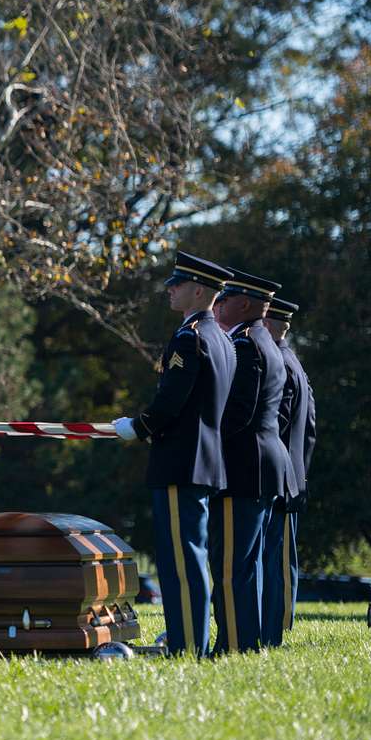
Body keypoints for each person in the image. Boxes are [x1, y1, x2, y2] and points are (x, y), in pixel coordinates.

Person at [112, 253, 236, 657]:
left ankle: (187, 647)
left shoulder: (191, 337)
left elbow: (171, 402)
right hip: (203, 461)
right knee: (192, 558)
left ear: (198, 290)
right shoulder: (221, 338)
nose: (169, 289)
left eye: (177, 285)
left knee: (181, 563)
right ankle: (192, 643)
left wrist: (139, 426)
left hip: (180, 461)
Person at [210, 269, 289, 654]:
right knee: (248, 564)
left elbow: (236, 413)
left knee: (230, 566)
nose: (217, 304)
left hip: (244, 467)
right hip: (262, 465)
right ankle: (248, 641)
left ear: (243, 303)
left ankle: (235, 645)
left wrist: (203, 440)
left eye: (223, 299)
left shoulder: (244, 345)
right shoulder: (263, 341)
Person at [264, 297, 314, 643]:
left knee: (277, 564)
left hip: (278, 477)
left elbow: (275, 424)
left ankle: (275, 630)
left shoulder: (278, 363)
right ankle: (275, 626)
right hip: (291, 476)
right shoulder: (293, 361)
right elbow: (309, 428)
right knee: (279, 559)